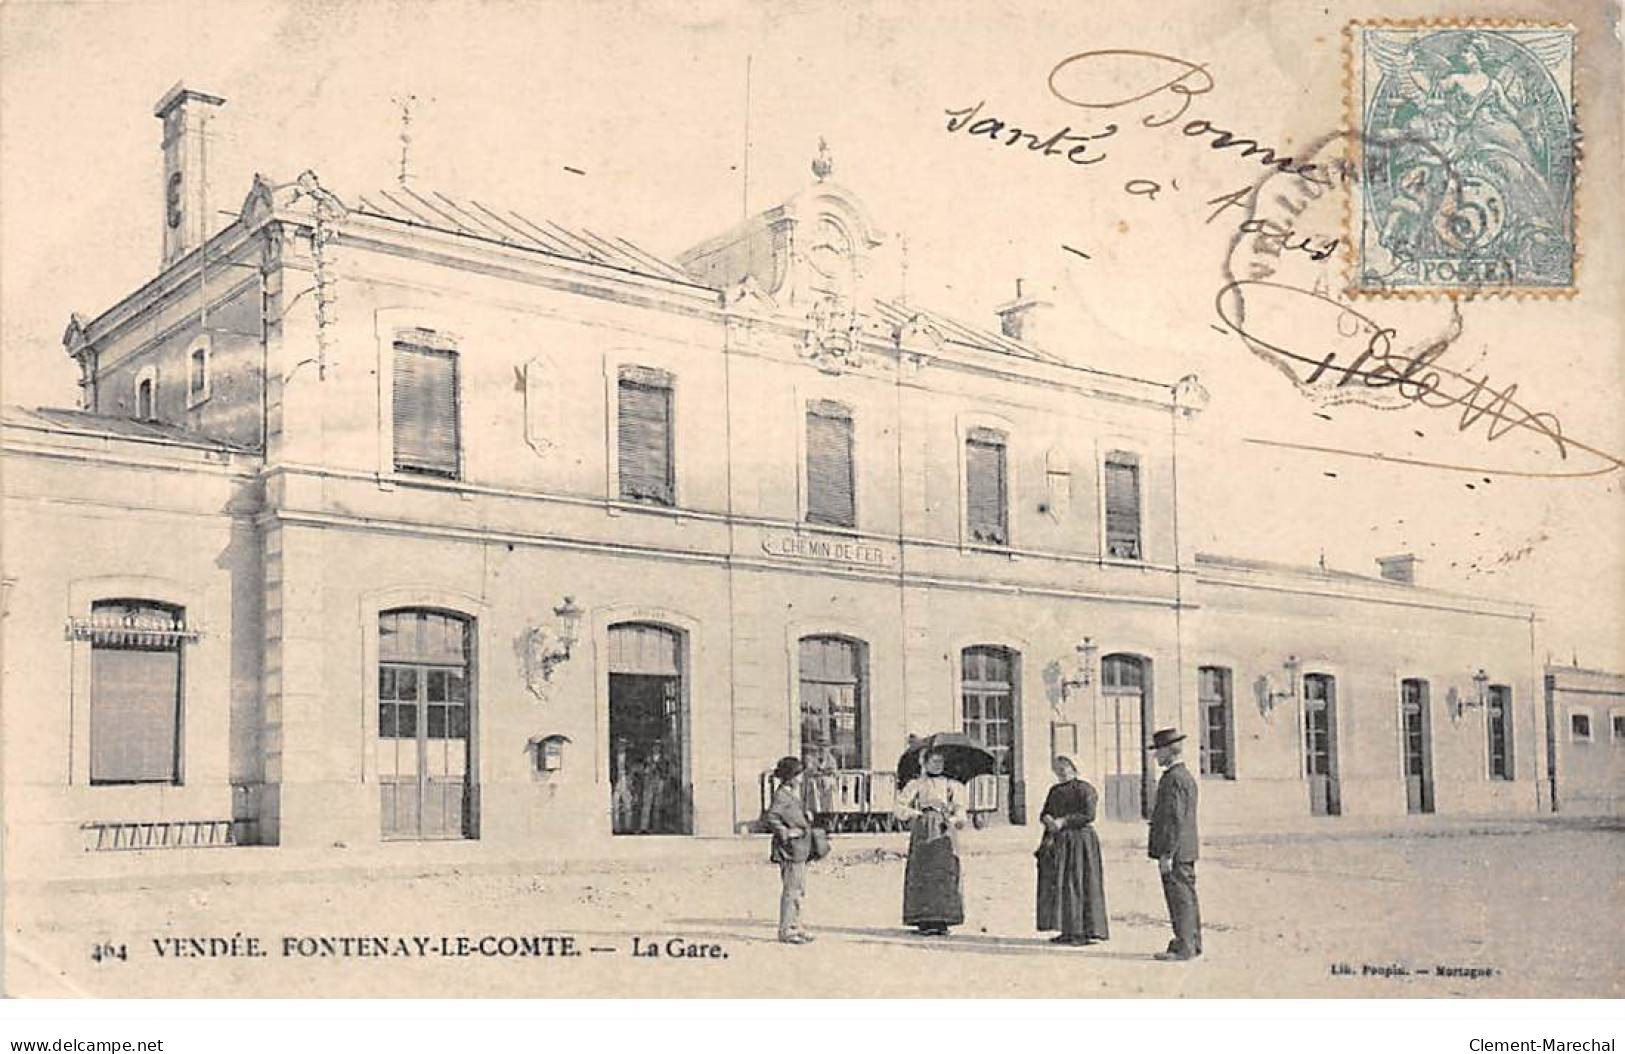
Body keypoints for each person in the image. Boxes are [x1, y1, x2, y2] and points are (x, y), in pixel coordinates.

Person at [1036, 753, 1110, 946]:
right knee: (1062, 885)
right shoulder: (1055, 790)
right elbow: (1045, 811)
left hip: (1080, 842)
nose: (1061, 771)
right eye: (1058, 768)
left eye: (1065, 767)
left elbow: (1088, 815)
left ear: (1074, 768)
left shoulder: (1085, 789)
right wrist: (1048, 819)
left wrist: (1064, 821)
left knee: (1079, 883)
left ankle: (1083, 931)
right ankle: (1067, 930)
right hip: (1060, 842)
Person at [895, 749, 967, 936]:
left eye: (940, 762)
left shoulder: (950, 784)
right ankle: (923, 919)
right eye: (933, 761)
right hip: (924, 827)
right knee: (923, 871)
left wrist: (954, 818)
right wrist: (916, 814)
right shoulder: (917, 784)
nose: (937, 765)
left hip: (944, 828)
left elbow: (960, 809)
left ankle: (944, 918)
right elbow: (900, 806)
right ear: (924, 764)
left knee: (945, 871)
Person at [1147, 728, 1202, 961]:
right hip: (1186, 848)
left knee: (1179, 897)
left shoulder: (1173, 779)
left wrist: (1166, 853)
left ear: (1170, 751)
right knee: (1186, 896)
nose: (1156, 756)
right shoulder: (1184, 776)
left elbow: (1174, 819)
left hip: (1176, 850)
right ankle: (1191, 942)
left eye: (1159, 751)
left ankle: (1185, 946)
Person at [763, 755, 816, 945]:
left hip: (800, 848)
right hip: (790, 849)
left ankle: (796, 926)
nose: (802, 777)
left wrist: (805, 816)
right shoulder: (782, 795)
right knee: (791, 890)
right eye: (799, 774)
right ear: (791, 776)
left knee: (799, 890)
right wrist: (786, 832)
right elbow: (771, 817)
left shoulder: (792, 793)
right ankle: (786, 930)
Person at [637, 741, 672, 834]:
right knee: (646, 805)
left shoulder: (664, 759)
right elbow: (642, 770)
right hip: (649, 782)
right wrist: (647, 770)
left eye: (658, 746)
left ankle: (656, 828)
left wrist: (661, 775)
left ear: (660, 748)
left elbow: (666, 772)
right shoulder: (648, 759)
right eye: (654, 746)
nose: (656, 748)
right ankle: (644, 827)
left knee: (657, 805)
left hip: (659, 782)